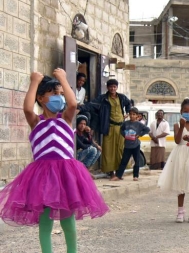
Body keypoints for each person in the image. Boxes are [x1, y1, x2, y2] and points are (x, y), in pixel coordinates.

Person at [0, 70, 109, 253]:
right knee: (45, 224)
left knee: (68, 222)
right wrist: (35, 81)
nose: (59, 97)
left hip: (66, 175)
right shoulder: (36, 122)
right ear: (41, 98)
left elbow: (73, 102)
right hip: (42, 177)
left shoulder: (66, 119)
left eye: (60, 94)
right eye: (54, 94)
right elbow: (27, 108)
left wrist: (63, 80)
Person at [78, 79, 131, 178]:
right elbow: (91, 105)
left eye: (114, 87)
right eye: (111, 87)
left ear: (117, 87)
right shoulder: (103, 98)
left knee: (119, 149)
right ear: (107, 87)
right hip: (109, 127)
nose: (112, 88)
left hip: (120, 127)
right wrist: (80, 108)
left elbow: (129, 104)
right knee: (108, 150)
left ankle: (119, 172)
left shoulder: (122, 97)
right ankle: (110, 172)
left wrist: (127, 112)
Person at [111, 107, 150, 182]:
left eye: (134, 114)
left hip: (136, 145)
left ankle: (135, 176)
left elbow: (147, 129)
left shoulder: (139, 124)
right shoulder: (126, 123)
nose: (132, 116)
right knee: (124, 161)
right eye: (130, 114)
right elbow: (121, 129)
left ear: (137, 116)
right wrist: (124, 135)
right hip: (127, 145)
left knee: (137, 160)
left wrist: (139, 135)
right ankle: (119, 175)